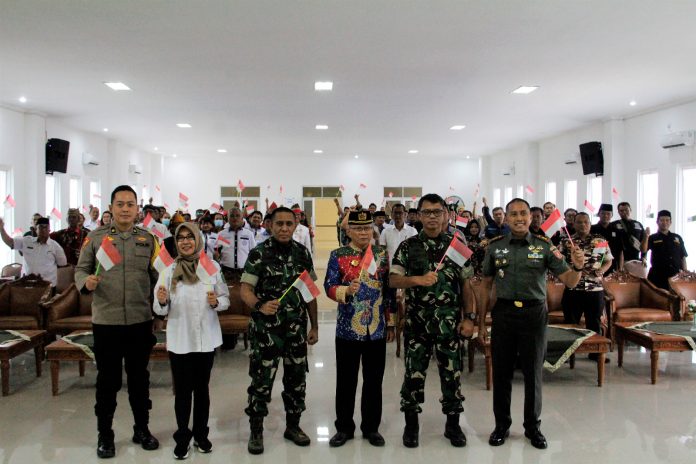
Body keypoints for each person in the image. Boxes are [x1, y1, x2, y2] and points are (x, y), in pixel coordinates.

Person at [479, 198, 585, 450]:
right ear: (505, 217)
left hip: (534, 315)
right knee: (502, 373)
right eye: (513, 214)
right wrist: (482, 321)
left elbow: (570, 281)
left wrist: (578, 265)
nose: (519, 218)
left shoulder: (544, 246)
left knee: (533, 374)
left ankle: (532, 427)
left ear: (530, 216)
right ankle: (501, 425)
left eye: (523, 213)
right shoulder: (495, 247)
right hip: (503, 313)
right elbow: (485, 285)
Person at [74, 185, 161, 459]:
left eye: (130, 204)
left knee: (139, 380)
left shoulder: (148, 240)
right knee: (108, 381)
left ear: (138, 209)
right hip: (107, 322)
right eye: (120, 204)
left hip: (139, 320)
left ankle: (141, 429)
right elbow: (81, 269)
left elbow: (160, 275)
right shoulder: (96, 238)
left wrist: (162, 301)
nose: (125, 209)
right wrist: (85, 283)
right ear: (111, 208)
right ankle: (105, 435)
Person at [389, 193, 474, 449]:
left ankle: (453, 425)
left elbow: (467, 285)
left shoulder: (457, 247)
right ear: (419, 215)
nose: (433, 217)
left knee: (451, 376)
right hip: (417, 326)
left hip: (449, 326)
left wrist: (469, 318)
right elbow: (393, 280)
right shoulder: (408, 246)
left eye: (438, 212)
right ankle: (411, 425)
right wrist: (416, 280)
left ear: (447, 215)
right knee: (413, 376)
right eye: (427, 212)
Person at [240, 207, 319, 455]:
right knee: (262, 382)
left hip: (295, 330)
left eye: (289, 224)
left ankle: (293, 426)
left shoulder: (302, 253)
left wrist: (314, 325)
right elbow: (245, 290)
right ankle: (256, 430)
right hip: (266, 332)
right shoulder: (259, 253)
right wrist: (260, 305)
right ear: (269, 226)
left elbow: (309, 293)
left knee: (296, 380)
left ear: (296, 225)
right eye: (279, 224)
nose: (284, 228)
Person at [153, 222, 230, 459]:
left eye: (190, 237)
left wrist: (216, 302)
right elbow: (158, 308)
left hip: (205, 339)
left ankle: (201, 435)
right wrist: (163, 301)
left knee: (202, 391)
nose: (185, 241)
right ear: (176, 242)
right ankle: (183, 437)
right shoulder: (168, 270)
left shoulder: (211, 266)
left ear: (197, 239)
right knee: (183, 392)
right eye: (181, 238)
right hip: (180, 339)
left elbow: (225, 298)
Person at [324, 211, 395, 448]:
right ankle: (344, 428)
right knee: (346, 381)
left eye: (367, 228)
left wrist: (391, 321)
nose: (364, 233)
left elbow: (389, 292)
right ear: (349, 231)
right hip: (347, 329)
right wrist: (346, 290)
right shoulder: (338, 255)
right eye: (358, 228)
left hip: (376, 328)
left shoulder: (381, 255)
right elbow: (329, 286)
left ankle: (371, 428)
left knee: (374, 381)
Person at [559, 212, 613, 360]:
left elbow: (609, 260)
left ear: (590, 223)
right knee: (571, 322)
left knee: (594, 321)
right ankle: (569, 353)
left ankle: (595, 352)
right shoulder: (567, 241)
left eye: (585, 222)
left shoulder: (600, 240)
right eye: (579, 222)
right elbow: (559, 262)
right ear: (574, 224)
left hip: (594, 288)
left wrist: (602, 270)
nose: (583, 225)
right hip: (573, 288)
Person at [0, 217, 67, 286]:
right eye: (41, 227)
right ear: (36, 230)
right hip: (26, 284)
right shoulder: (27, 241)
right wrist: (2, 229)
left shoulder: (55, 247)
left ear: (49, 230)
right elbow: (10, 242)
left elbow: (62, 263)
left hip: (47, 286)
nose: (43, 230)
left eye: (46, 227)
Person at [642, 210, 688, 290]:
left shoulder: (677, 237)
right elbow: (643, 250)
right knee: (658, 299)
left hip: (675, 276)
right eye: (662, 220)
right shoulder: (652, 238)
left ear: (670, 222)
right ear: (657, 222)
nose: (664, 222)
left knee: (676, 299)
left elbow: (683, 257)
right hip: (658, 276)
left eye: (667, 220)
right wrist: (646, 237)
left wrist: (685, 272)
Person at [612, 202, 646, 267]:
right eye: (621, 211)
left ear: (630, 210)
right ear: (618, 212)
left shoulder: (638, 224)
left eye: (626, 210)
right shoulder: (614, 225)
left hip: (636, 260)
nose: (624, 212)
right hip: (619, 261)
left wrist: (644, 257)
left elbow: (644, 242)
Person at [590, 203, 621, 275]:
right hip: (595, 265)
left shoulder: (616, 230)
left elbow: (620, 251)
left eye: (608, 214)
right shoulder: (592, 229)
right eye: (603, 213)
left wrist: (620, 267)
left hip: (612, 265)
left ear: (612, 215)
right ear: (598, 214)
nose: (605, 216)